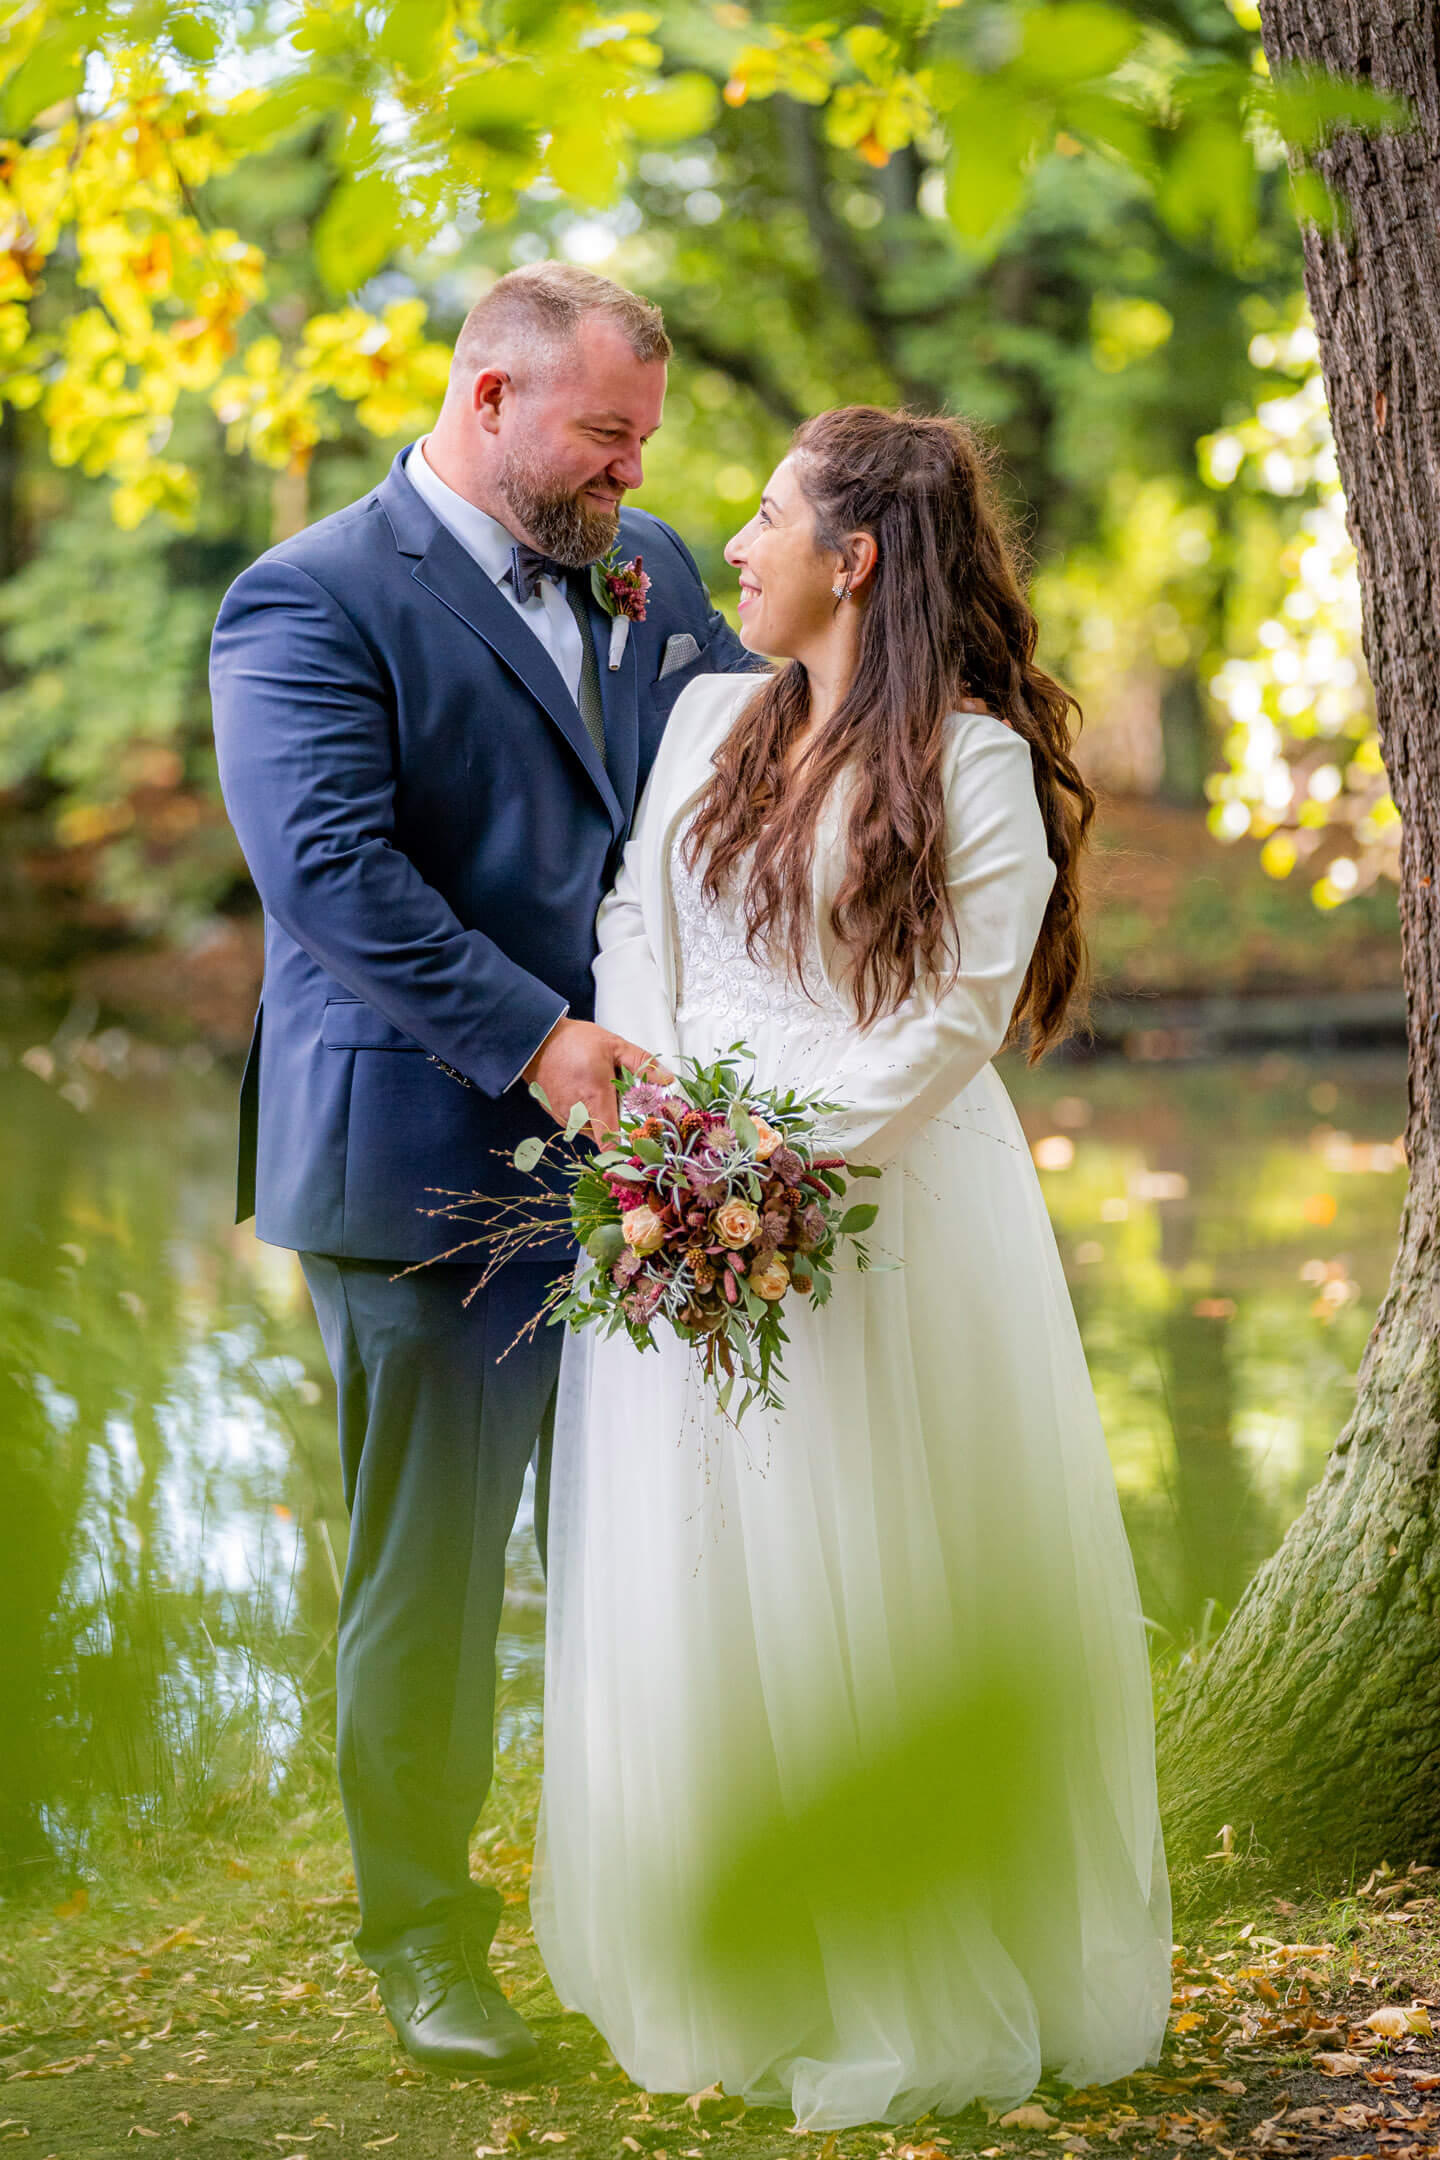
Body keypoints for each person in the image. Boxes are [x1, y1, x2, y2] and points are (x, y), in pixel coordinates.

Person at [531, 405, 1172, 2130]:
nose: (726, 547)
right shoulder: (705, 719)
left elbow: (964, 1013)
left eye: (762, 517)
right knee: (704, 1575)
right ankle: (740, 1965)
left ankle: (914, 1966)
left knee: (882, 1571)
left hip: (880, 1219)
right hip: (686, 1203)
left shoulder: (968, 763)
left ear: (854, 557)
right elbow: (631, 929)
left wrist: (776, 1160)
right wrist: (672, 1142)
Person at [209, 263, 757, 2080]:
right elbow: (335, 878)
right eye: (605, 436)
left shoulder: (656, 567)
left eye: (645, 444)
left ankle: (663, 1907)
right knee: (432, 1580)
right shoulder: (309, 598)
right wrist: (540, 1042)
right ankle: (425, 1944)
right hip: (425, 1157)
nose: (630, 477)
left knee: (656, 1548)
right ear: (492, 397)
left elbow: (770, 753)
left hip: (660, 1165)